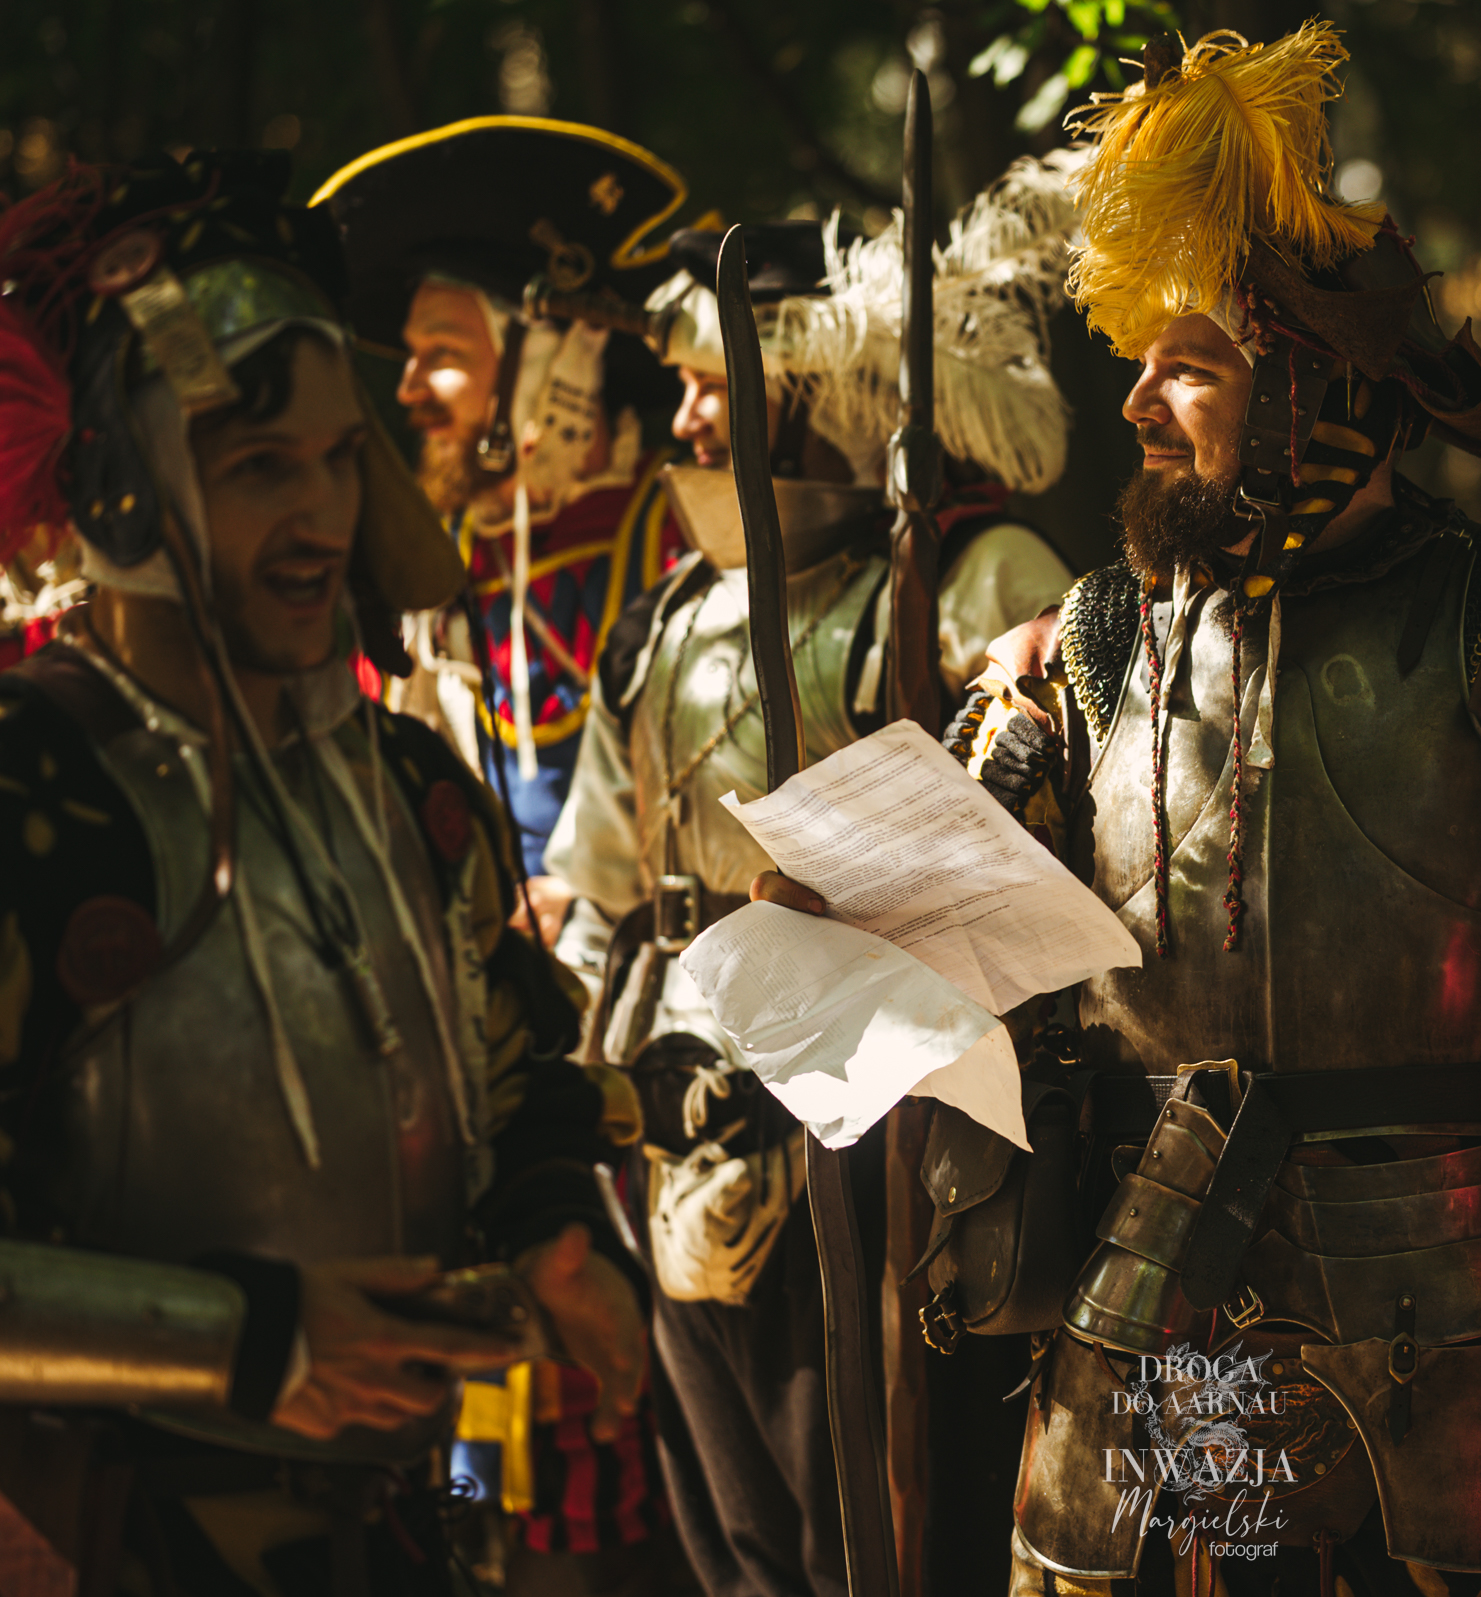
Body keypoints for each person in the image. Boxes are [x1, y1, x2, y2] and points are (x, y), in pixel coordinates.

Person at [751, 25, 1481, 1595]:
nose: (1140, 403)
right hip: (1152, 1333)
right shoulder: (1087, 651)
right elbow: (922, 955)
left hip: (1463, 1345)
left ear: (1319, 393)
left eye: (1193, 364)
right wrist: (834, 915)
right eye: (1143, 358)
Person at [0, 149, 646, 1595]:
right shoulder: (31, 795)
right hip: (100, 1540)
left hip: (405, 1527)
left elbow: (507, 1070)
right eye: (259, 468)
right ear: (119, 495)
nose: (325, 517)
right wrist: (251, 1339)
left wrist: (551, 1229)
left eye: (341, 457)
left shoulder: (408, 784)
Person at [542, 167, 1076, 1597]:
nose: (686, 420)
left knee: (877, 1541)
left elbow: (1055, 856)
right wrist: (592, 1095)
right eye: (683, 387)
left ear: (817, 390)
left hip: (876, 1144)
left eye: (713, 387)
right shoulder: (667, 618)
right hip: (670, 1126)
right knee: (737, 1551)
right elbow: (601, 882)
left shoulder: (969, 581)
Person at [311, 117, 691, 935]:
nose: (407, 389)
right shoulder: (429, 567)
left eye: (442, 354)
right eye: (410, 356)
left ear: (548, 365)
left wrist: (595, 906)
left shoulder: (683, 537)